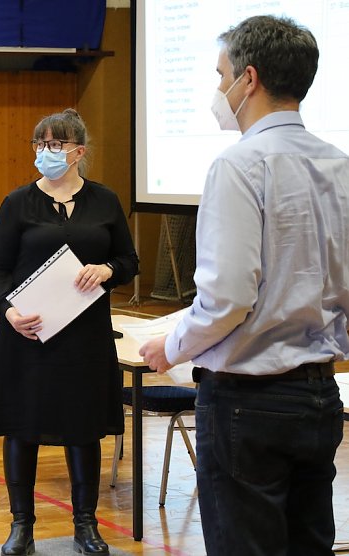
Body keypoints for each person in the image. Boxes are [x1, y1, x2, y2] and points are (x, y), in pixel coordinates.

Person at [139, 15, 347, 556]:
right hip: (320, 395)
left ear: (248, 80)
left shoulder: (238, 164)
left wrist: (172, 346)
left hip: (247, 403)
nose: (217, 89)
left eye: (220, 75)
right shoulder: (340, 165)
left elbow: (227, 299)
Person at [0, 108, 139, 556]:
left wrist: (106, 268)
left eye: (54, 145)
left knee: (82, 428)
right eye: (39, 144)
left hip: (85, 337)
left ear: (78, 152)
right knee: (22, 427)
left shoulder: (105, 201)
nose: (45, 152)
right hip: (28, 334)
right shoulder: (17, 202)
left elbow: (129, 263)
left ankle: (86, 526)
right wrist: (9, 311)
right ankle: (21, 526)